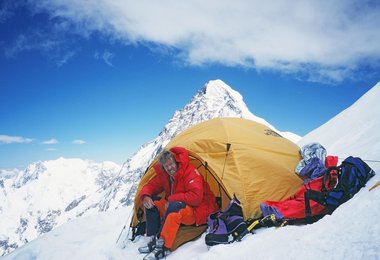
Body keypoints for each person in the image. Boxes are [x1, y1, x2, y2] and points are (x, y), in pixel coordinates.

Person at [138, 147, 218, 260]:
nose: (170, 168)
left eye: (171, 164)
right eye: (167, 166)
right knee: (152, 201)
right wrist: (145, 196)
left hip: (197, 210)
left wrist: (172, 199)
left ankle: (161, 248)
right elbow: (150, 186)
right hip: (178, 206)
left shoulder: (190, 172)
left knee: (174, 207)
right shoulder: (165, 176)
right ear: (164, 168)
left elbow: (196, 198)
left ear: (176, 162)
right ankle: (152, 238)